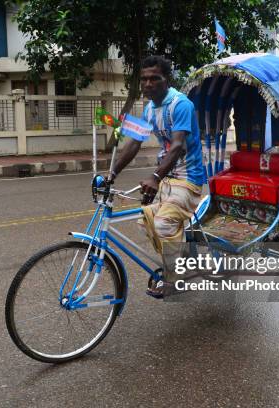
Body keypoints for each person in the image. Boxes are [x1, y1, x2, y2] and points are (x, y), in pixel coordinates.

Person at [107, 55, 207, 297]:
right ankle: (182, 256)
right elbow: (133, 144)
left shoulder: (180, 104)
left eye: (154, 78)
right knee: (145, 223)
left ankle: (176, 276)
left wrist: (154, 177)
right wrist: (111, 174)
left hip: (188, 179)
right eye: (144, 79)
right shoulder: (149, 108)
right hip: (166, 177)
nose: (148, 84)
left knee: (163, 224)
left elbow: (178, 146)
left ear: (167, 80)